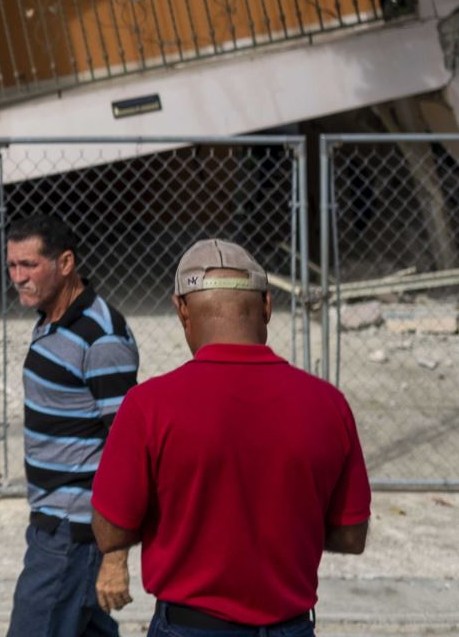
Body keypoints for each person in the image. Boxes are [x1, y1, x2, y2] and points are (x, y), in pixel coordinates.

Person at [88, 239, 370, 636]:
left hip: (190, 626)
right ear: (267, 306)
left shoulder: (148, 406)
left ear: (181, 309)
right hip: (290, 627)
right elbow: (352, 534)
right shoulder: (329, 404)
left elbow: (111, 528)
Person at [3, 213, 139, 637]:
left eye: (30, 265)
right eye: (12, 266)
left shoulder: (102, 339)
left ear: (65, 263)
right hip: (51, 520)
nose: (19, 277)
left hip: (73, 532)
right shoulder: (51, 319)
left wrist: (115, 555)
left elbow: (128, 448)